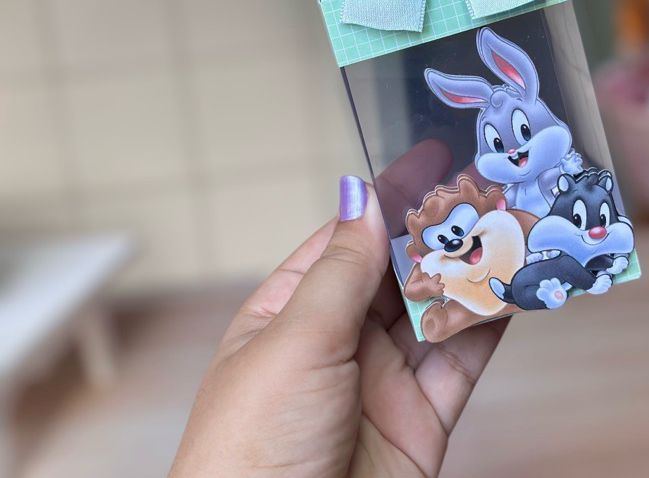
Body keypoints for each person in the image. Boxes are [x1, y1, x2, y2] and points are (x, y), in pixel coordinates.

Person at [169, 141, 507, 477]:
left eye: (456, 230)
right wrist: (429, 286)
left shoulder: (494, 228)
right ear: (420, 250)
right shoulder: (430, 265)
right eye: (442, 238)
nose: (454, 240)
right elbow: (418, 285)